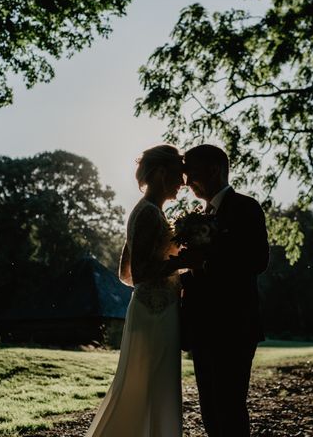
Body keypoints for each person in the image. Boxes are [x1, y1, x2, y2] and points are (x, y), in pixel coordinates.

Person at [85, 144, 186, 437]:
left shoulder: (146, 211)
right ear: (160, 173)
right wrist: (181, 263)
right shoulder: (148, 214)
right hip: (155, 313)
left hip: (153, 309)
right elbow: (138, 274)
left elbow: (124, 273)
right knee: (151, 383)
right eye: (178, 175)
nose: (182, 183)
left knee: (150, 384)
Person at [180, 144, 269, 437]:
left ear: (213, 169)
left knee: (230, 406)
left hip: (235, 326)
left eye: (190, 172)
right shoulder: (197, 216)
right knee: (209, 408)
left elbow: (257, 260)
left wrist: (204, 262)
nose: (186, 180)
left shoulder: (246, 208)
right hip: (201, 327)